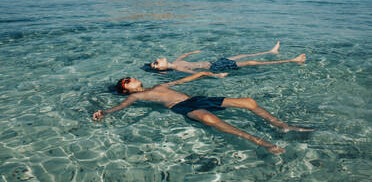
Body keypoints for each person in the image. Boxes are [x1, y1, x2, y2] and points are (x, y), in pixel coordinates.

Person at [93, 71, 313, 154]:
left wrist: (203, 74)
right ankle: (260, 142)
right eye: (127, 81)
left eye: (129, 77)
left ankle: (283, 125)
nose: (131, 79)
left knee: (248, 102)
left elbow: (181, 80)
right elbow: (120, 107)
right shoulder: (135, 96)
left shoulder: (158, 86)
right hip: (182, 107)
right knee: (209, 119)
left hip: (197, 100)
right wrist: (104, 112)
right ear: (126, 89)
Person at [147, 41, 306, 74]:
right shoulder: (179, 68)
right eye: (156, 63)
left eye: (155, 61)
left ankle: (271, 51)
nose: (157, 59)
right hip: (215, 67)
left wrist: (192, 53)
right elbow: (197, 74)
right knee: (250, 62)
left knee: (243, 55)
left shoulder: (176, 62)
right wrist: (217, 76)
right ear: (162, 69)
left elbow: (183, 55)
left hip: (214, 62)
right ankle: (293, 60)